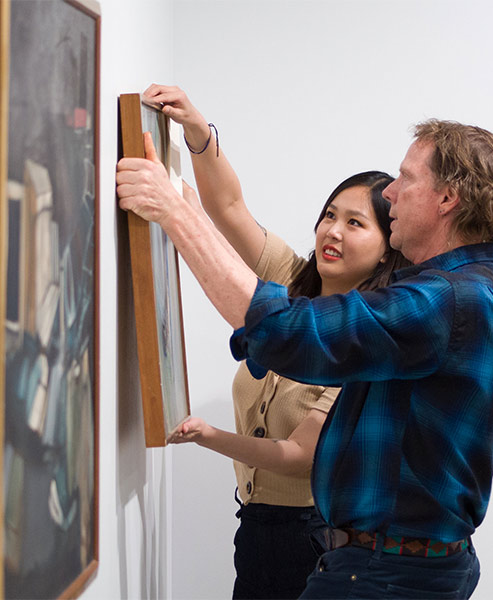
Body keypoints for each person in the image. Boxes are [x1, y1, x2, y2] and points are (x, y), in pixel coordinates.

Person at [117, 112, 493, 598]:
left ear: (447, 198)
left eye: (406, 178)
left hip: (386, 574)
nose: (391, 192)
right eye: (332, 215)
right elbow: (233, 218)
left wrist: (176, 215)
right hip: (376, 565)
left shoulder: (449, 301)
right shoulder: (455, 292)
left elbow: (282, 332)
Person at [137, 86, 411, 598]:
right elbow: (230, 206)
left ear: (384, 251)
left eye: (355, 223)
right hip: (255, 527)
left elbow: (298, 455)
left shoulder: (369, 340)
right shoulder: (291, 278)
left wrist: (209, 436)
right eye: (330, 214)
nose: (333, 230)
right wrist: (198, 130)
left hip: (312, 538)